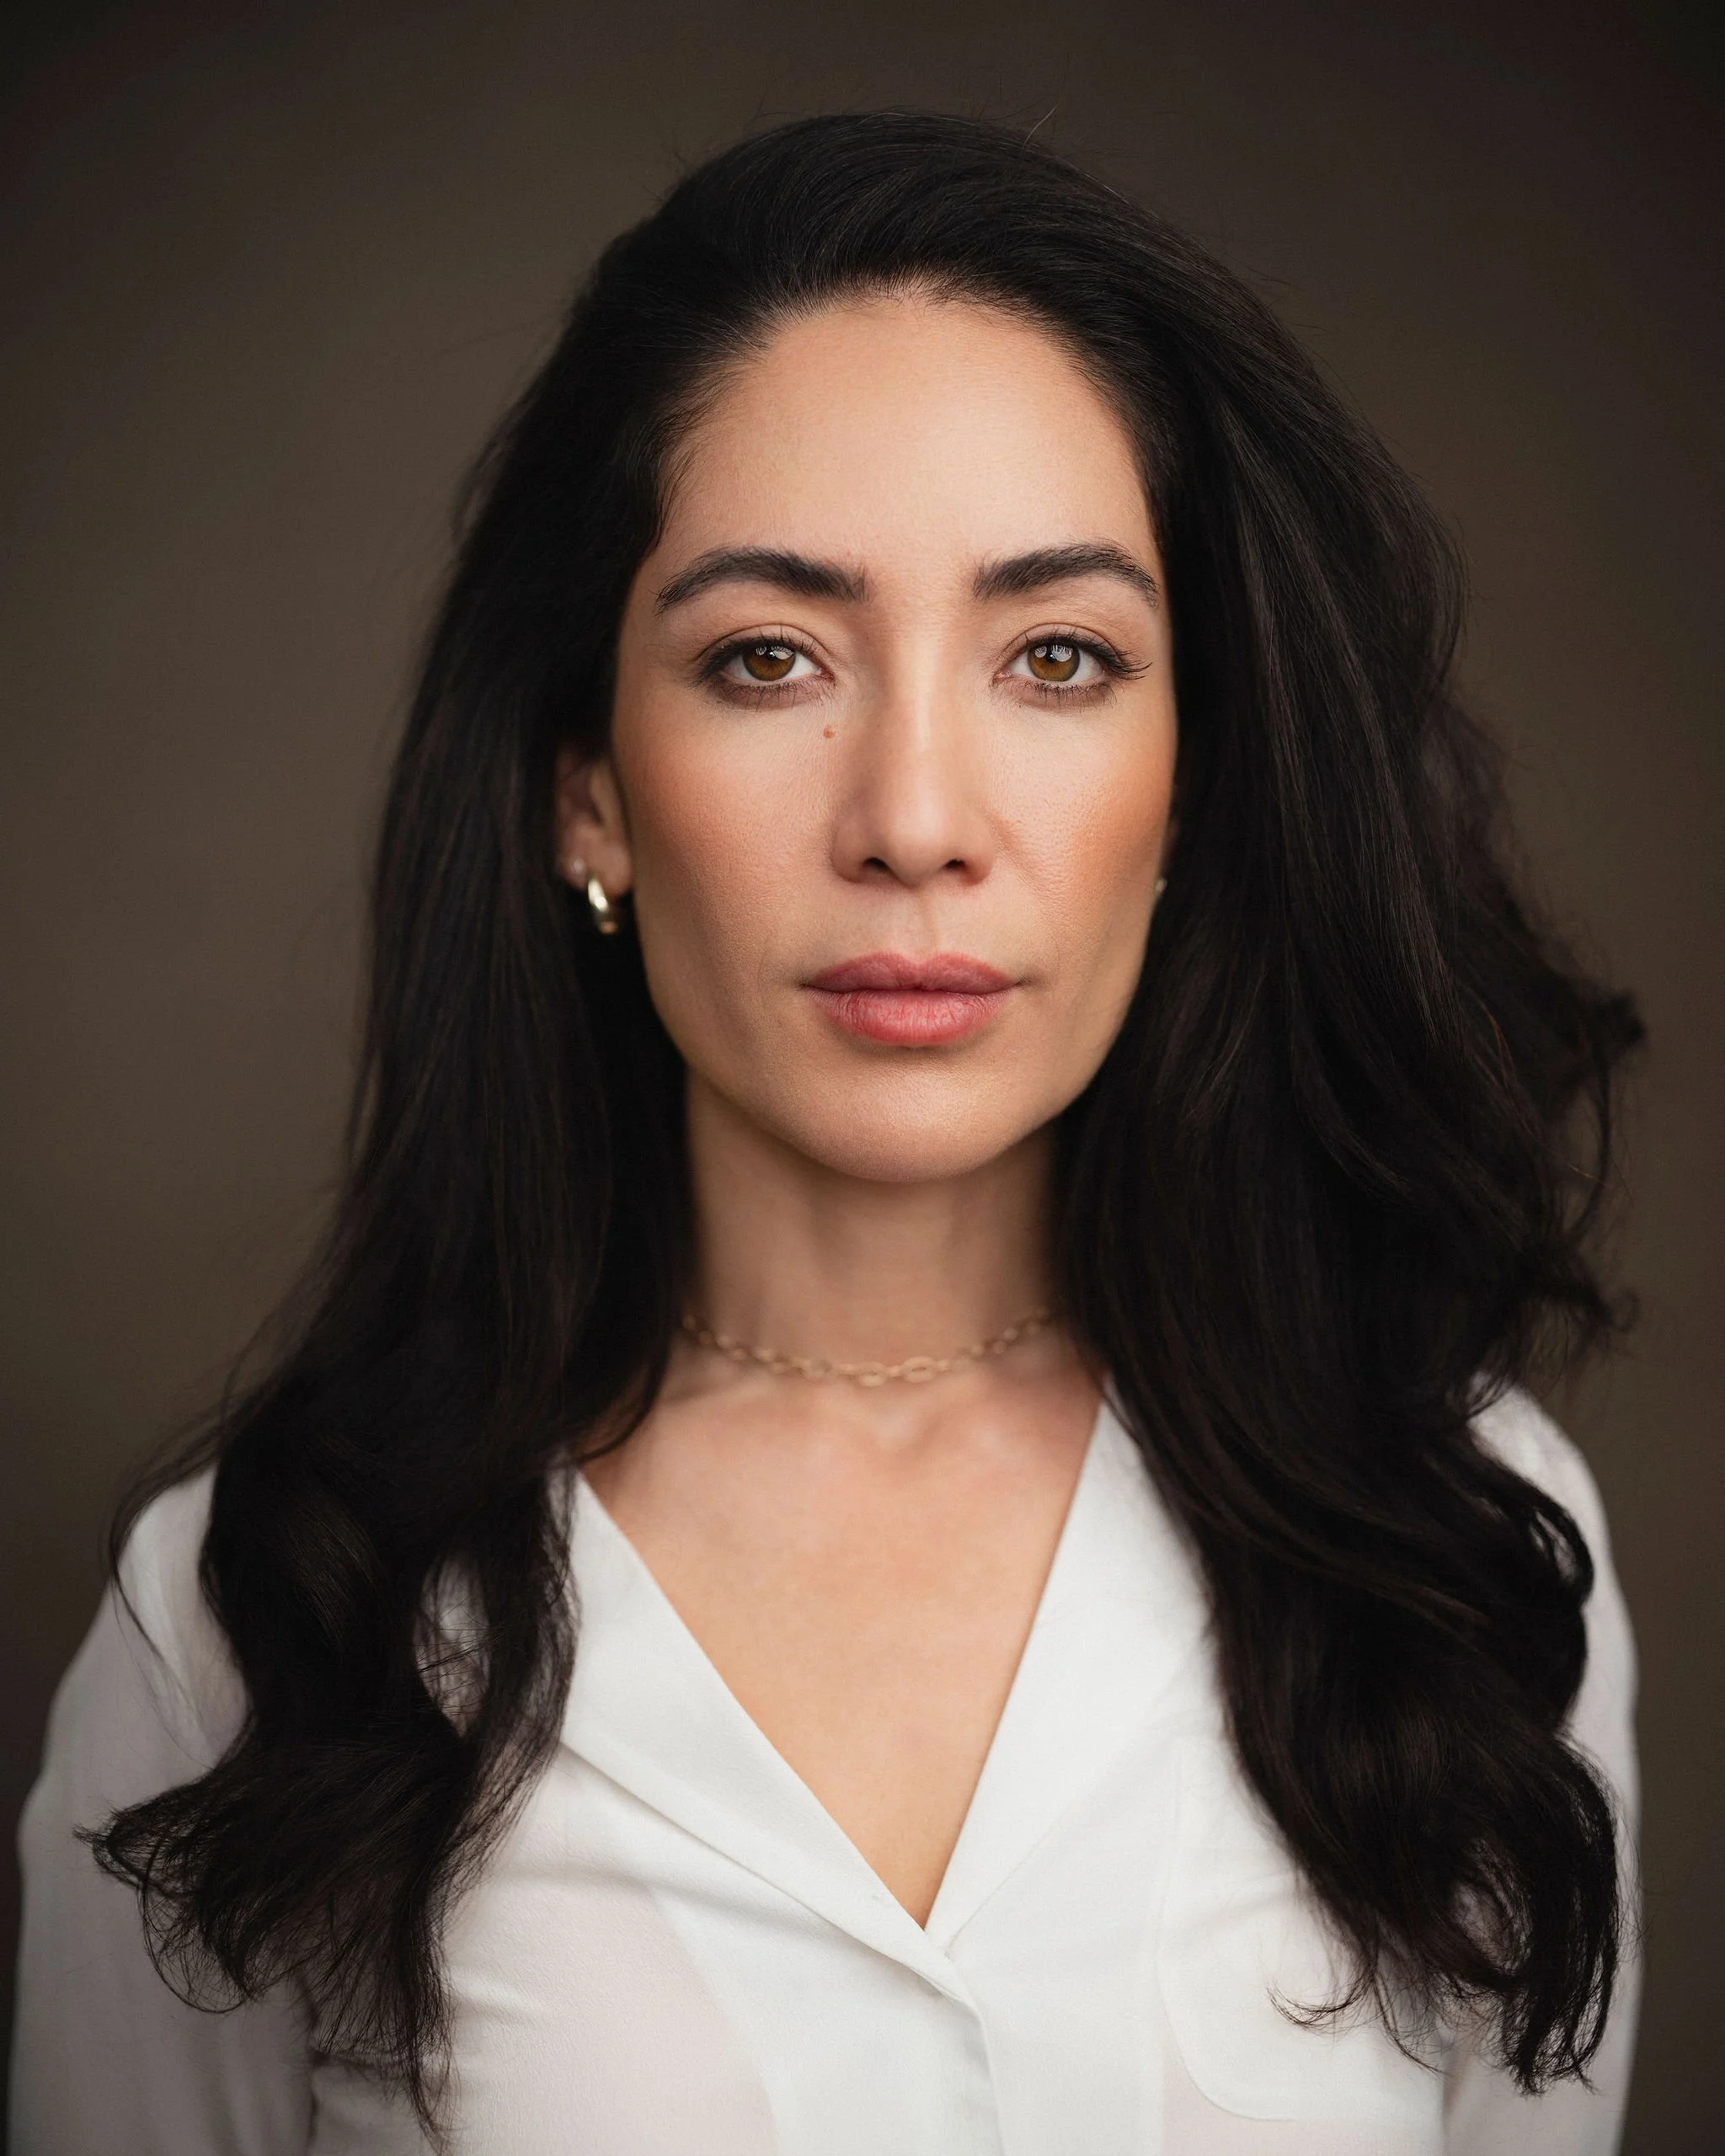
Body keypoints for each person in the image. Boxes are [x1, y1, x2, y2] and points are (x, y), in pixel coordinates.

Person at [10, 112, 1642, 2154]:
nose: (915, 814)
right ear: (586, 789)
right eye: (768, 657)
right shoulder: (258, 1614)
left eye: (1058, 656)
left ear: (1193, 783)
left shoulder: (1461, 1538)